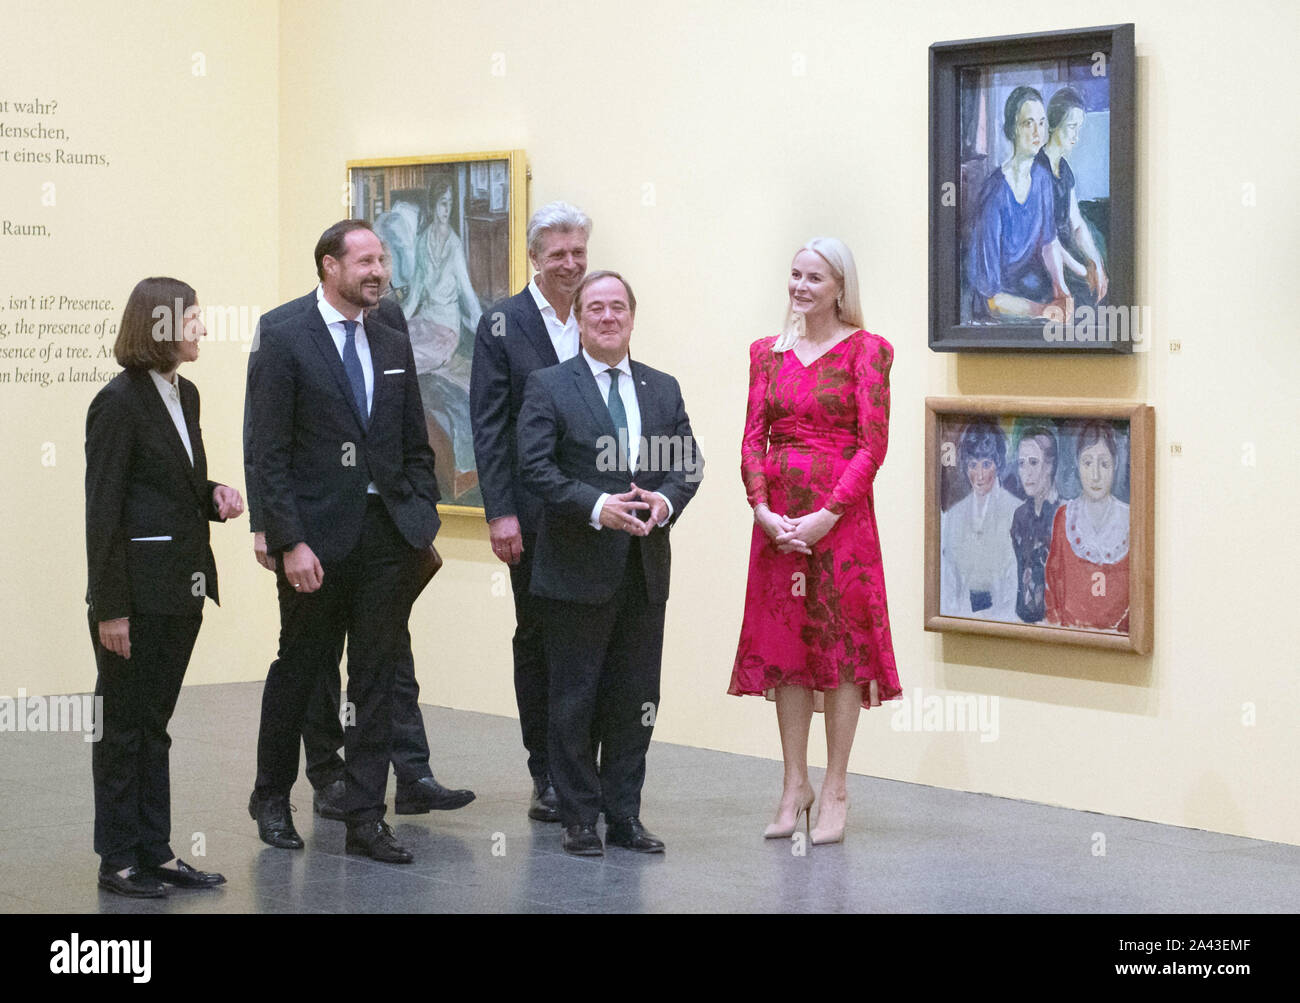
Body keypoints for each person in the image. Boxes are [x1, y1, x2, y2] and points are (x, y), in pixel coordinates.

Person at [242, 248, 473, 822]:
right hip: (314, 535)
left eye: (385, 261)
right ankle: (272, 796)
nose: (379, 272)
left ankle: (367, 815)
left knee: (378, 671)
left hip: (387, 534)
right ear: (328, 266)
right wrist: (282, 536)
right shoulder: (283, 330)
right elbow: (266, 446)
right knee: (301, 667)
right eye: (366, 261)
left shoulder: (391, 332)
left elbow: (410, 432)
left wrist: (423, 512)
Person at [517, 270, 702, 856]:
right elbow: (535, 468)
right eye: (594, 308)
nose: (607, 317)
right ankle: (578, 817)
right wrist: (597, 505)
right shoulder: (549, 386)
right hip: (574, 570)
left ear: (631, 315)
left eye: (617, 307)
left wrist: (664, 501)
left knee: (634, 699)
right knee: (574, 699)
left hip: (643, 572)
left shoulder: (661, 388)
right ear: (578, 318)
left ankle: (624, 815)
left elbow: (689, 464)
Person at [729, 238, 899, 846]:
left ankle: (837, 787)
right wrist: (762, 509)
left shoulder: (869, 352)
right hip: (779, 523)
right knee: (788, 651)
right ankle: (793, 782)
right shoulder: (765, 354)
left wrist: (828, 513)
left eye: (815, 278)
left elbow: (871, 445)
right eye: (794, 275)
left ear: (840, 288)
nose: (801, 287)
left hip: (841, 523)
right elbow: (752, 439)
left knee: (842, 652)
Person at [85, 277, 243, 896]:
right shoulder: (117, 402)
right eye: (194, 320)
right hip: (134, 597)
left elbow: (172, 486)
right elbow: (104, 512)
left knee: (155, 723)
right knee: (123, 725)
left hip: (183, 590)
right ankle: (118, 858)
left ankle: (155, 849)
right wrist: (110, 609)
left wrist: (214, 495)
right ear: (160, 326)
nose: (203, 330)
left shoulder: (188, 394)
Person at [470, 201, 591, 823]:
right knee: (539, 639)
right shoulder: (503, 322)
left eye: (579, 252)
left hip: (596, 512)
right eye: (558, 255)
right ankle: (545, 770)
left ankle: (583, 768)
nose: (571, 265)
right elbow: (488, 428)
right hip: (534, 513)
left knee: (591, 643)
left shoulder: (599, 311)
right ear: (534, 259)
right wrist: (500, 513)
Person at [405, 179, 483, 496]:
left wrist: (486, 333)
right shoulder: (424, 240)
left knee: (414, 359)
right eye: (442, 203)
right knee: (397, 350)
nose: (445, 211)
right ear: (433, 205)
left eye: (450, 205)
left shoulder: (453, 243)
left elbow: (466, 293)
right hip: (424, 318)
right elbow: (416, 293)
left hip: (446, 329)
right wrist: (394, 324)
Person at [969, 85, 1073, 321]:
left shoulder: (1042, 178)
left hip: (1029, 292)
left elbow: (1049, 242)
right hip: (996, 309)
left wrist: (1061, 288)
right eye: (1028, 123)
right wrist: (1045, 311)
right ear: (1012, 130)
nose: (1038, 132)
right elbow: (992, 298)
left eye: (1042, 122)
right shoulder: (994, 193)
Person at [1044, 421, 1130, 631]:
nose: (1095, 476)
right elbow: (1052, 583)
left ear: (1116, 463)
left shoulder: (1130, 519)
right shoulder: (1065, 517)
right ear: (1077, 463)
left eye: (1104, 464)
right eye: (1088, 463)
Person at [939, 419, 1019, 621]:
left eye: (986, 464)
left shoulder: (1015, 511)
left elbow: (1014, 584)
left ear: (998, 464)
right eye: (973, 465)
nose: (980, 475)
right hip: (962, 619)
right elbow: (948, 583)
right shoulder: (954, 516)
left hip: (1005, 621)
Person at [1037, 87, 1109, 307]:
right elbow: (1046, 239)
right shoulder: (1038, 168)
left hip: (1066, 250)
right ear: (1054, 125)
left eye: (1079, 128)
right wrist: (1083, 271)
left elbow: (1076, 223)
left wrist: (1096, 262)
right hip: (1045, 260)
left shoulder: (1064, 169)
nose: (1076, 136)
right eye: (1071, 127)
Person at [1010, 424, 1062, 623]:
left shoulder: (1064, 514)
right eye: (1021, 464)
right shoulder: (1020, 515)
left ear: (1049, 466)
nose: (1026, 473)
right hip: (1021, 620)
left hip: (1057, 624)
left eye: (1033, 462)